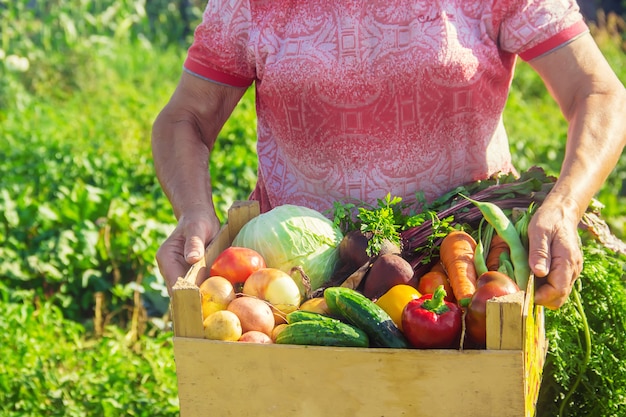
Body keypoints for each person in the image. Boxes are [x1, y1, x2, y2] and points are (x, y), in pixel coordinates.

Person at [152, 0, 626, 309]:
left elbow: (598, 92)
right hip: (291, 292)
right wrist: (194, 212)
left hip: (465, 283)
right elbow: (185, 119)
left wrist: (564, 206)